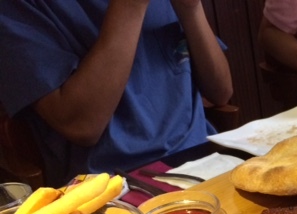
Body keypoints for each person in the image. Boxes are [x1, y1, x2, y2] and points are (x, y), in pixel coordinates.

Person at [0, 0, 233, 187]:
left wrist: (191, 9)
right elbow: (82, 126)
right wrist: (130, 6)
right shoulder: (16, 9)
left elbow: (221, 92)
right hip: (112, 186)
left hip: (204, 160)